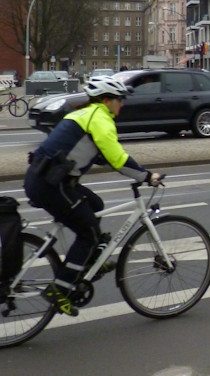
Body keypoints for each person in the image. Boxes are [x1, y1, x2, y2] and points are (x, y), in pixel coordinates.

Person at [24, 76, 162, 316]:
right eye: (120, 100)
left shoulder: (83, 114)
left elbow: (93, 152)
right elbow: (117, 159)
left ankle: (88, 260)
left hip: (46, 179)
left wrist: (126, 166)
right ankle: (61, 289)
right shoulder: (100, 118)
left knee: (95, 204)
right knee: (88, 232)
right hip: (51, 185)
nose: (122, 105)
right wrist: (146, 176)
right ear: (107, 100)